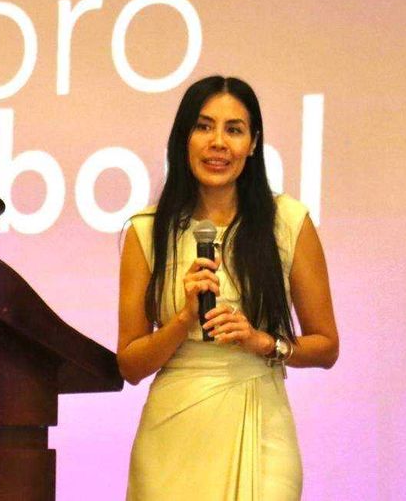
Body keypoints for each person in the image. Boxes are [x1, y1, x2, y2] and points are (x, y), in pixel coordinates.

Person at [118, 75, 339, 500]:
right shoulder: (146, 232)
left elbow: (327, 346)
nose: (218, 142)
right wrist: (183, 320)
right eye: (204, 127)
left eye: (233, 130)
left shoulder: (288, 221)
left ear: (253, 144)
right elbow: (130, 364)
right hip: (174, 431)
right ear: (184, 137)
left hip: (261, 423)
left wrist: (264, 342)